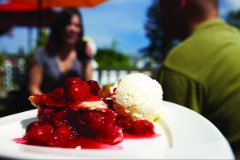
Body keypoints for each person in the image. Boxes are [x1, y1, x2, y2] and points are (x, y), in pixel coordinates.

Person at [157, 0, 240, 158]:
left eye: (161, 3)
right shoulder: (236, 38)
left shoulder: (180, 61)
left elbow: (174, 151)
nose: (160, 13)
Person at [28, 8, 94, 94]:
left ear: (80, 30)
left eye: (77, 25)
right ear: (60, 27)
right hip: (46, 105)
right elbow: (33, 87)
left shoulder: (81, 56)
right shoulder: (43, 54)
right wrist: (47, 105)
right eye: (68, 24)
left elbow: (88, 88)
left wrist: (86, 61)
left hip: (74, 107)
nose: (72, 29)